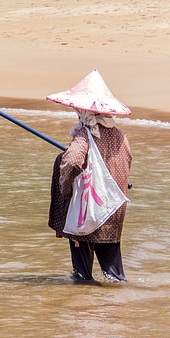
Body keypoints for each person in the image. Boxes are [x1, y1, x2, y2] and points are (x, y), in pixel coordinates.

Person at [46, 70, 133, 283]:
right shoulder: (121, 137)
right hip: (113, 208)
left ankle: (86, 304)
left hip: (88, 210)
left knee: (82, 276)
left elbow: (72, 161)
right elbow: (126, 162)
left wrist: (65, 187)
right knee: (114, 275)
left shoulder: (84, 134)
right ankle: (115, 306)